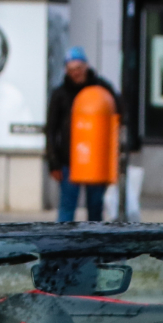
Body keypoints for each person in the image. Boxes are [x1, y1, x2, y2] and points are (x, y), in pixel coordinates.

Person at [45, 47, 117, 222]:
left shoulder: (102, 88)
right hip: (68, 161)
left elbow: (117, 115)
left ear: (86, 67)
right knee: (67, 209)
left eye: (78, 68)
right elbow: (51, 129)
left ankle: (94, 244)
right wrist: (53, 163)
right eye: (71, 70)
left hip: (97, 160)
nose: (75, 73)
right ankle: (63, 244)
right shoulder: (60, 94)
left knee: (95, 207)